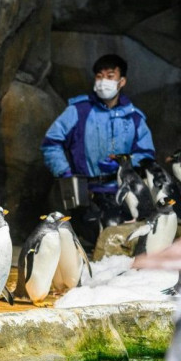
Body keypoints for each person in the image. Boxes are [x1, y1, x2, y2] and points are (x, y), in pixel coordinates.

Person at [41, 54, 155, 245]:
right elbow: (51, 143)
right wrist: (65, 173)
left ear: (122, 81)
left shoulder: (133, 118)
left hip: (123, 193)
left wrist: (123, 165)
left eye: (110, 76)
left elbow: (147, 155)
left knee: (121, 236)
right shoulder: (79, 111)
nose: (104, 82)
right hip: (86, 194)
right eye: (99, 76)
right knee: (89, 239)